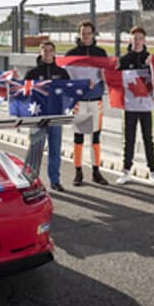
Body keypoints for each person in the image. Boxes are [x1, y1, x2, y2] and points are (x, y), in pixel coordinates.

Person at [64, 21, 110, 186]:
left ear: (93, 34)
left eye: (89, 33)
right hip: (79, 102)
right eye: (83, 33)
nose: (86, 36)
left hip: (96, 100)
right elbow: (66, 78)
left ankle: (96, 172)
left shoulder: (101, 53)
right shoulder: (71, 54)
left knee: (95, 137)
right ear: (79, 34)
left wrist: (107, 76)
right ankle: (78, 172)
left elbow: (108, 73)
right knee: (79, 137)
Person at [115, 26, 154, 185]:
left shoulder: (151, 58)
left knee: (148, 139)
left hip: (146, 106)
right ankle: (126, 171)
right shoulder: (124, 60)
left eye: (140, 38)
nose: (137, 41)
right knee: (129, 139)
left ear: (144, 40)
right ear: (130, 40)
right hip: (130, 106)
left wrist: (152, 66)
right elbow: (114, 79)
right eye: (134, 38)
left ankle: (153, 172)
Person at [24, 40, 72, 192]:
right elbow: (24, 93)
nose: (48, 53)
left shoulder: (62, 73)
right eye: (45, 50)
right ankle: (31, 180)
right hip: (38, 117)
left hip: (55, 116)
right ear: (40, 52)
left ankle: (55, 180)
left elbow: (70, 91)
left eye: (50, 50)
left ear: (54, 53)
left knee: (55, 149)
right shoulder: (32, 73)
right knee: (35, 150)